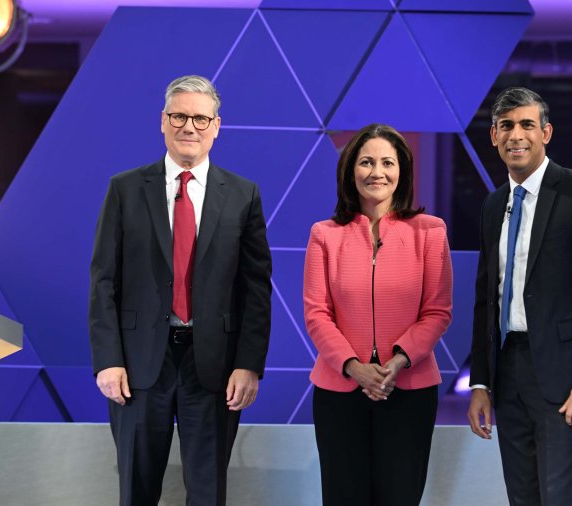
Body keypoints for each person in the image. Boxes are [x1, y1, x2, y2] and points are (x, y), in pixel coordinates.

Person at [89, 75, 272, 505]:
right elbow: (103, 281)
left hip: (213, 365)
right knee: (136, 489)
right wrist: (108, 360)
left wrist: (249, 364)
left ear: (216, 126)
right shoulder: (125, 188)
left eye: (200, 118)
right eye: (178, 116)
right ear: (162, 121)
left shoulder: (243, 195)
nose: (189, 127)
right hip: (137, 366)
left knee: (208, 493)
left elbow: (256, 289)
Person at [467, 87, 572, 505]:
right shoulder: (493, 204)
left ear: (546, 132)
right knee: (522, 497)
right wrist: (480, 382)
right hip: (507, 372)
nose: (516, 135)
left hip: (566, 378)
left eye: (527, 125)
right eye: (506, 126)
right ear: (494, 137)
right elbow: (487, 299)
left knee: (560, 497)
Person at [303, 124, 453, 506]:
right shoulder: (324, 234)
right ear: (350, 170)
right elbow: (317, 314)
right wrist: (354, 366)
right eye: (366, 162)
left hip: (408, 388)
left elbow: (437, 311)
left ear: (401, 171)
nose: (377, 172)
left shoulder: (430, 231)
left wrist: (398, 361)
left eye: (387, 162)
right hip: (340, 391)